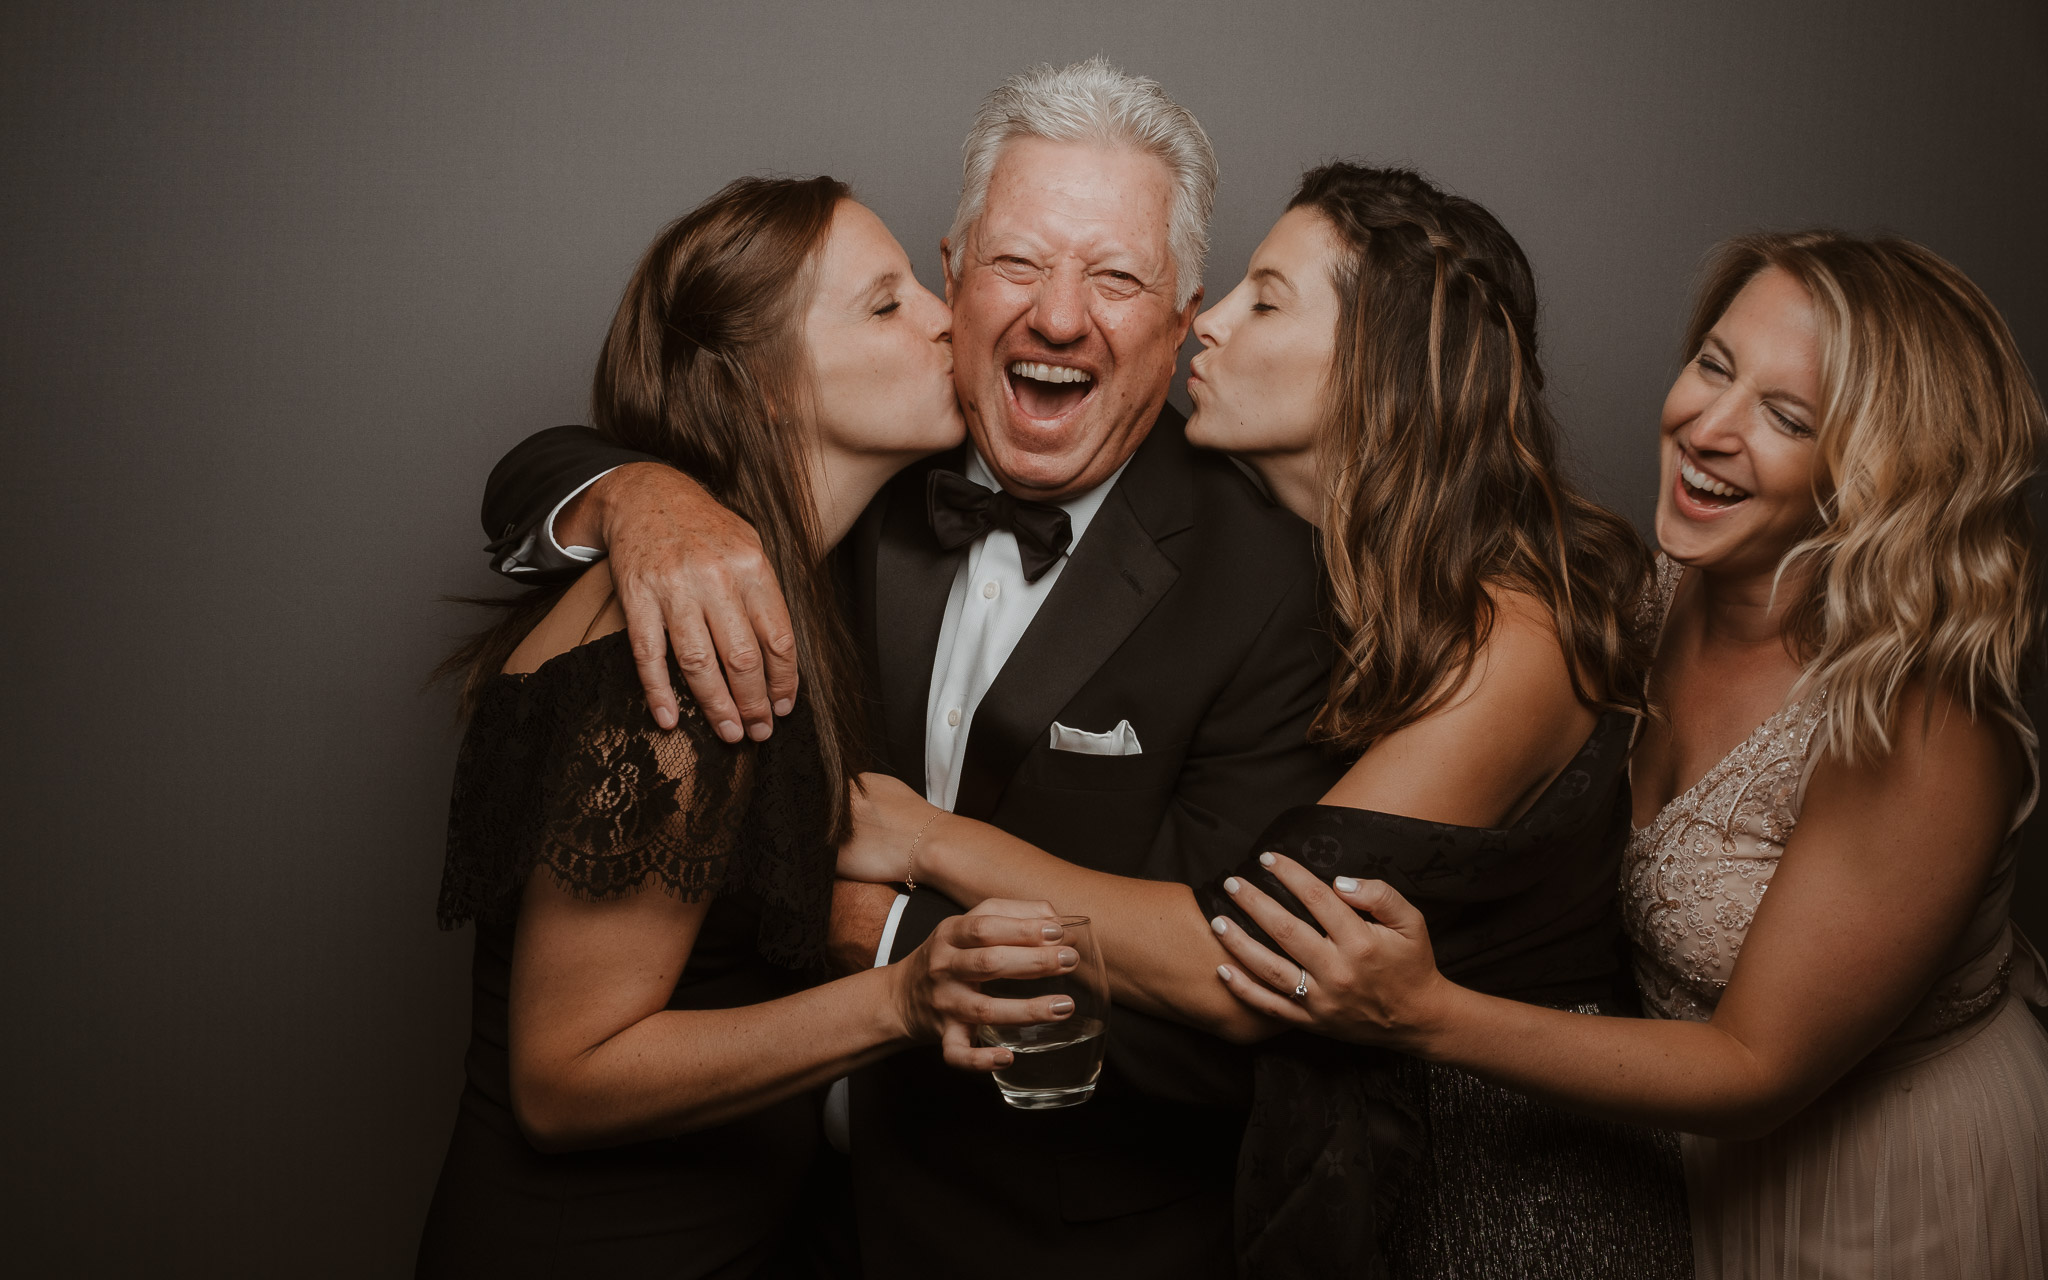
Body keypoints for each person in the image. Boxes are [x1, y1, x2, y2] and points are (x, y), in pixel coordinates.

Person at [471, 60, 1343, 1279]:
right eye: (1016, 262)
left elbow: (1238, 1014)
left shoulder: (1265, 581)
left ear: (1181, 312)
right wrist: (636, 494)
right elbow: (656, 398)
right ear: (954, 273)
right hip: (773, 1223)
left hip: (1041, 1243)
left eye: (1115, 275)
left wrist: (887, 931)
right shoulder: (826, 496)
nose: (1054, 316)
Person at [838, 163, 1694, 1278]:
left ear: (1380, 364)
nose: (1212, 326)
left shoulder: (1512, 641)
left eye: (1267, 299)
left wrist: (925, 838)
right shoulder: (1346, 581)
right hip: (1342, 1164)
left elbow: (1241, 953)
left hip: (1500, 1190)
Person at [1212, 231, 2048, 1279]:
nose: (1708, 426)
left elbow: (1756, 1065)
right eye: (1712, 364)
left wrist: (1427, 1013)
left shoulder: (1918, 721)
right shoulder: (1656, 591)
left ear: (1884, 473)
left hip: (1879, 1178)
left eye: (1784, 417)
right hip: (1674, 1157)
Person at [414, 175, 1079, 1278]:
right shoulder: (691, 631)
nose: (945, 316)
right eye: (884, 303)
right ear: (764, 386)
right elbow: (564, 1073)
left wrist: (629, 486)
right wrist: (900, 997)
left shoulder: (781, 579)